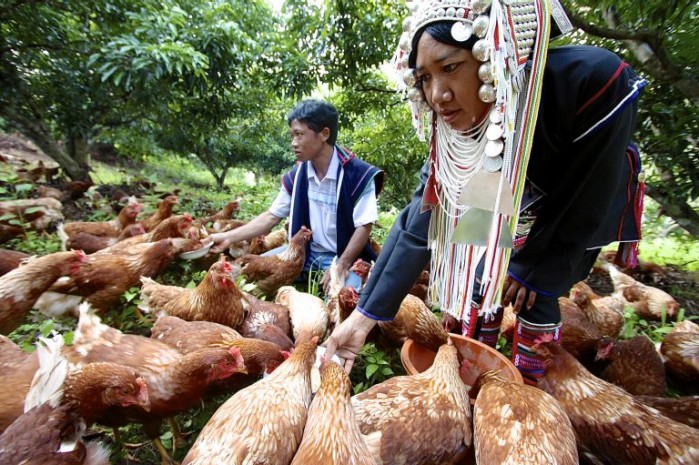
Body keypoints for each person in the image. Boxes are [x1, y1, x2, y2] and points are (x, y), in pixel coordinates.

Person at [324, 0, 645, 386]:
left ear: (491, 57)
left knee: (532, 289)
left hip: (579, 192)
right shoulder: (456, 130)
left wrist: (530, 270)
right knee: (480, 264)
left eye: (450, 67)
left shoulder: (594, 80)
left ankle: (529, 390)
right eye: (424, 78)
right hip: (497, 174)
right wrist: (365, 316)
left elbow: (586, 196)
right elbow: (418, 222)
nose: (438, 95)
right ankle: (478, 373)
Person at [208, 99, 384, 292]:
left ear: (324, 134)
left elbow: (364, 227)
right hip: (304, 254)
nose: (294, 143)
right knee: (247, 272)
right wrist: (227, 237)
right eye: (292, 135)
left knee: (346, 297)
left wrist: (341, 265)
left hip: (344, 257)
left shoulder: (358, 174)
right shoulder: (298, 174)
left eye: (299, 135)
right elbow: (271, 216)